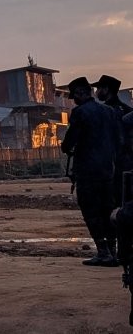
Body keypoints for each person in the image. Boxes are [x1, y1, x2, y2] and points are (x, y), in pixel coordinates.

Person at [61, 76, 122, 266]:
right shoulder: (109, 111)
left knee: (91, 211)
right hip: (108, 170)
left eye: (75, 96)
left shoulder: (80, 113)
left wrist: (68, 147)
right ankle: (113, 251)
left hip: (88, 171)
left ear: (80, 93)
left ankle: (103, 252)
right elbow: (118, 141)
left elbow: (69, 143)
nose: (74, 100)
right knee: (107, 211)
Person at [94, 75, 133, 209]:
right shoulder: (128, 110)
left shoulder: (103, 112)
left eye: (98, 88)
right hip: (128, 165)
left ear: (106, 89)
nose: (96, 92)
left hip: (111, 167)